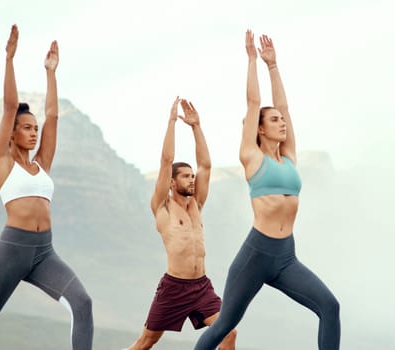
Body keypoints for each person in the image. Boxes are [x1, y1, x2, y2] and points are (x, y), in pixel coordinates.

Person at [194, 30, 341, 350]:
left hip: (286, 257)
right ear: (260, 128)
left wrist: (274, 66)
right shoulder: (251, 157)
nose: (282, 123)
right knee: (224, 326)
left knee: (330, 307)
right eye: (274, 120)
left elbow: (285, 107)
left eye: (281, 120)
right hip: (256, 255)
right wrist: (252, 61)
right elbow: (253, 103)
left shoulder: (288, 157)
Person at [0, 25, 93, 350]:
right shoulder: (1, 161)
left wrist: (51, 73)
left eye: (35, 128)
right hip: (11, 252)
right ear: (12, 133)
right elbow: (10, 106)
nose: (33, 133)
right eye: (26, 128)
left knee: (82, 303)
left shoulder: (41, 162)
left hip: (45, 252)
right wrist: (10, 59)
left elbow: (53, 116)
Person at [123, 97, 236, 350]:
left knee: (229, 332)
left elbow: (206, 165)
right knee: (146, 342)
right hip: (174, 286)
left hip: (202, 286)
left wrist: (196, 127)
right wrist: (172, 122)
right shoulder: (162, 208)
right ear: (172, 183)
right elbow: (166, 161)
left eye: (191, 176)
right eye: (185, 176)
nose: (192, 179)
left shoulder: (197, 205)